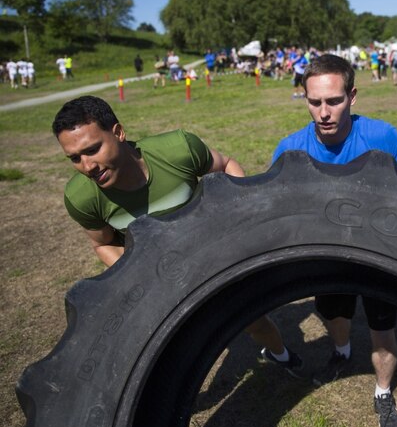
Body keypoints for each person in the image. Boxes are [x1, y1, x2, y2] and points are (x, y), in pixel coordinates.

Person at [51, 95, 304, 379]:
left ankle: (280, 355)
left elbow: (226, 166)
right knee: (170, 347)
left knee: (251, 318)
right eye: (74, 158)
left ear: (119, 133)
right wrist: (142, 275)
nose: (87, 167)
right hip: (156, 280)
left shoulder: (178, 149)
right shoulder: (82, 198)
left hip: (212, 254)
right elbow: (103, 243)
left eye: (93, 149)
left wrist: (238, 221)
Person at [271, 54, 397, 427]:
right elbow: (275, 210)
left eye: (334, 101)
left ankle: (383, 392)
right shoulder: (291, 149)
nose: (324, 112)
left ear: (352, 96)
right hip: (327, 259)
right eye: (314, 102)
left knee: (382, 329)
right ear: (304, 98)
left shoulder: (381, 136)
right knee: (333, 314)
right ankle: (341, 353)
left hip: (379, 257)